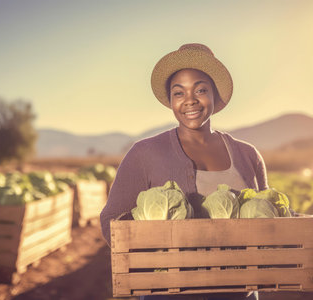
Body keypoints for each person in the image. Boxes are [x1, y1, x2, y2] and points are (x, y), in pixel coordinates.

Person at [100, 43, 267, 300]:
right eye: (179, 93)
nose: (190, 100)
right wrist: (156, 262)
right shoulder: (145, 153)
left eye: (200, 89)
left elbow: (268, 224)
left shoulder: (248, 154)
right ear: (170, 101)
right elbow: (111, 219)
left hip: (241, 293)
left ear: (215, 95)